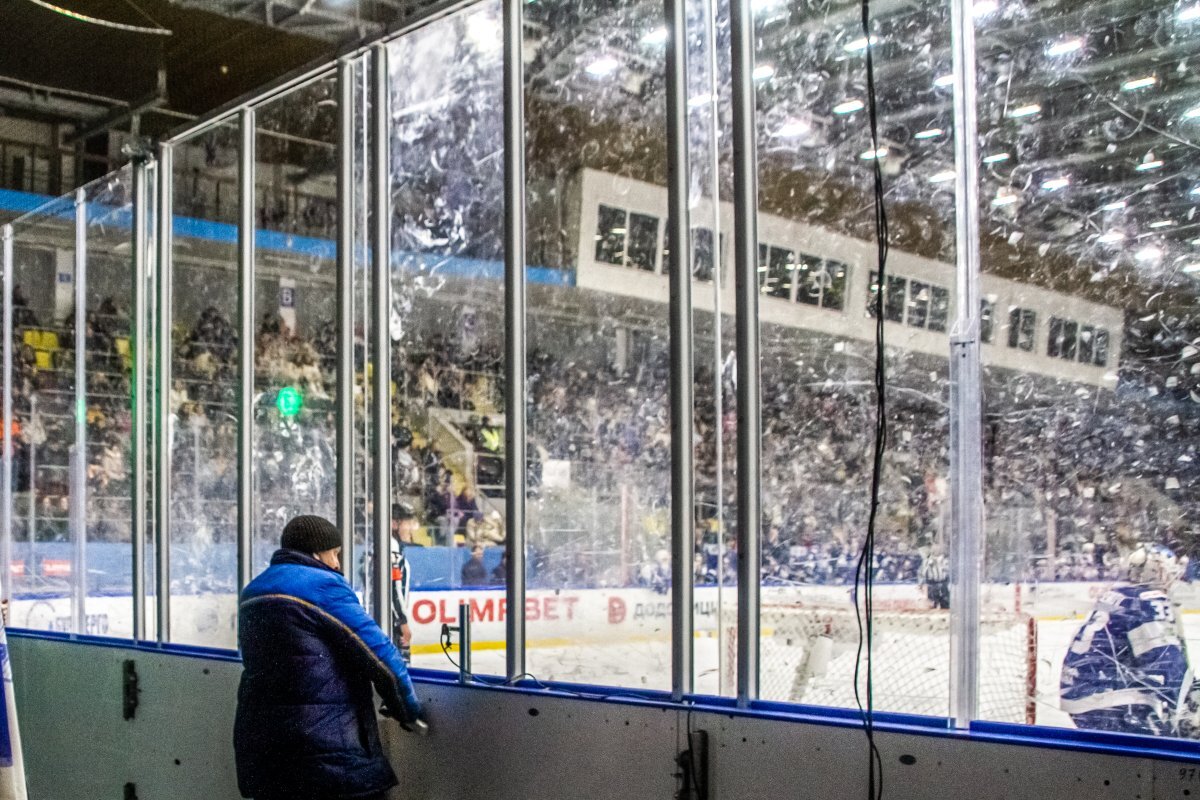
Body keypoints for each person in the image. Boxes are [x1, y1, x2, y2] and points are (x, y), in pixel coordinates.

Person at [235, 515, 426, 800]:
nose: (337, 563)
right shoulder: (323, 586)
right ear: (315, 552)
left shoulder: (253, 592)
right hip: (327, 753)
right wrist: (406, 708)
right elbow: (380, 655)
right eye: (334, 554)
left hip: (265, 751)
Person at [1060, 543, 1196, 736]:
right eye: (1167, 571)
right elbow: (1164, 660)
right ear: (1155, 571)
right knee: (1168, 751)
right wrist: (1184, 700)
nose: (1171, 579)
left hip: (1080, 692)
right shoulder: (1149, 599)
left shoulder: (1118, 594)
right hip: (1110, 699)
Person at [391, 504, 422, 658]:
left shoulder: (390, 545)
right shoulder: (391, 546)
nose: (410, 528)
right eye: (407, 523)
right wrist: (401, 622)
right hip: (391, 622)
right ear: (394, 524)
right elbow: (392, 588)